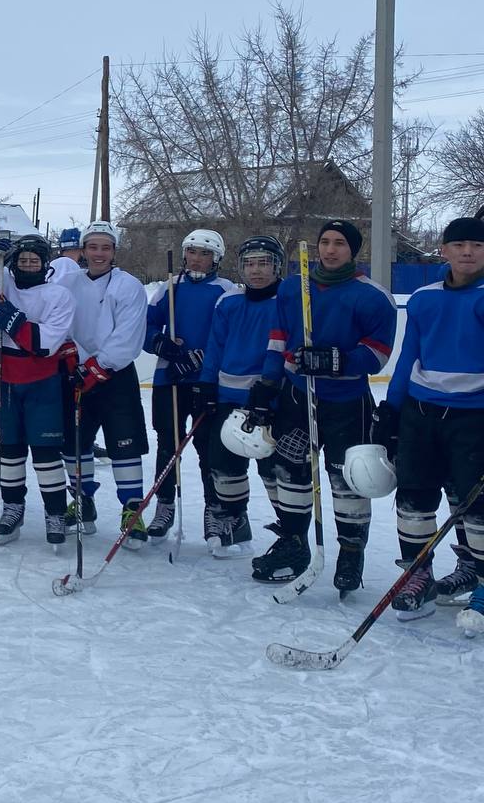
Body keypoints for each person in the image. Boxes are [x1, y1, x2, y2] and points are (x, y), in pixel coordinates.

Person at [245, 219, 397, 594]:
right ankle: (294, 543)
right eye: (325, 242)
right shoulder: (292, 290)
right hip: (299, 396)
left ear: (353, 250)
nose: (330, 250)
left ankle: (350, 551)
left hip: (347, 402)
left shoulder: (373, 296)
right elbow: (278, 340)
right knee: (292, 472)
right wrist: (267, 385)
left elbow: (378, 354)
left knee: (349, 480)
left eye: (340, 243)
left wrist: (337, 361)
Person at [377, 216, 484, 631]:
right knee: (413, 499)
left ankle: (480, 580)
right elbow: (409, 357)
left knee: (474, 505)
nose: (468, 252)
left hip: (473, 417)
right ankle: (417, 574)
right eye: (459, 245)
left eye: (476, 245)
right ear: (444, 251)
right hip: (421, 414)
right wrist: (391, 408)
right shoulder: (424, 298)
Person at [0, 235, 76, 547]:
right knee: (9, 449)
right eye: (23, 260)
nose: (28, 264)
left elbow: (45, 345)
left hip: (40, 384)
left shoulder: (58, 295)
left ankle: (56, 512)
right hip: (1, 377)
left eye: (35, 260)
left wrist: (15, 322)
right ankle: (13, 507)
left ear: (45, 264)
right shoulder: (1, 284)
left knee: (45, 453)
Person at [142, 229, 236, 541]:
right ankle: (165, 505)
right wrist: (159, 343)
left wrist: (200, 359)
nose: (197, 258)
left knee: (208, 449)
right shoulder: (171, 287)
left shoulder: (226, 291)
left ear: (216, 259)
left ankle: (213, 508)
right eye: (192, 251)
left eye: (205, 253)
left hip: (206, 382)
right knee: (168, 444)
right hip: (168, 380)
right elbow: (146, 324)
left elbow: (230, 337)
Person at [197, 236, 285, 555]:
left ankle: (290, 531)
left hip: (270, 400)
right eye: (249, 264)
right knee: (222, 464)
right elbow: (216, 347)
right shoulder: (229, 303)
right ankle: (236, 520)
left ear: (277, 266)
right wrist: (207, 385)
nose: (256, 270)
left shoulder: (287, 302)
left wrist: (275, 388)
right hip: (227, 396)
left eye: (263, 263)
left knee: (273, 469)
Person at [65, 221, 150, 542]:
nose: (99, 253)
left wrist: (98, 366)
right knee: (75, 442)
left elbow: (128, 336)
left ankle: (132, 509)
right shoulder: (69, 283)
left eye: (106, 247)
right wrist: (72, 357)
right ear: (84, 250)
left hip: (115, 377)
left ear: (114, 251)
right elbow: (61, 323)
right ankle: (82, 501)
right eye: (93, 247)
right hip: (75, 373)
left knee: (124, 445)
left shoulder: (128, 286)